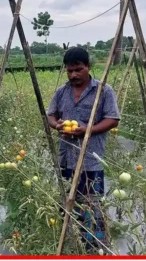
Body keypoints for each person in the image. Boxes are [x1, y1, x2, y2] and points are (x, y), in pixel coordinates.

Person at [46, 47, 120, 250]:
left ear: (88, 67)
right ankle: (71, 241)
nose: (73, 75)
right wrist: (57, 125)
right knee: (68, 202)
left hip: (90, 160)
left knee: (92, 207)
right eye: (69, 71)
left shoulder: (103, 91)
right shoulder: (62, 92)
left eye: (78, 69)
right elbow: (50, 115)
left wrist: (88, 130)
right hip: (66, 158)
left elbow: (113, 119)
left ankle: (94, 248)